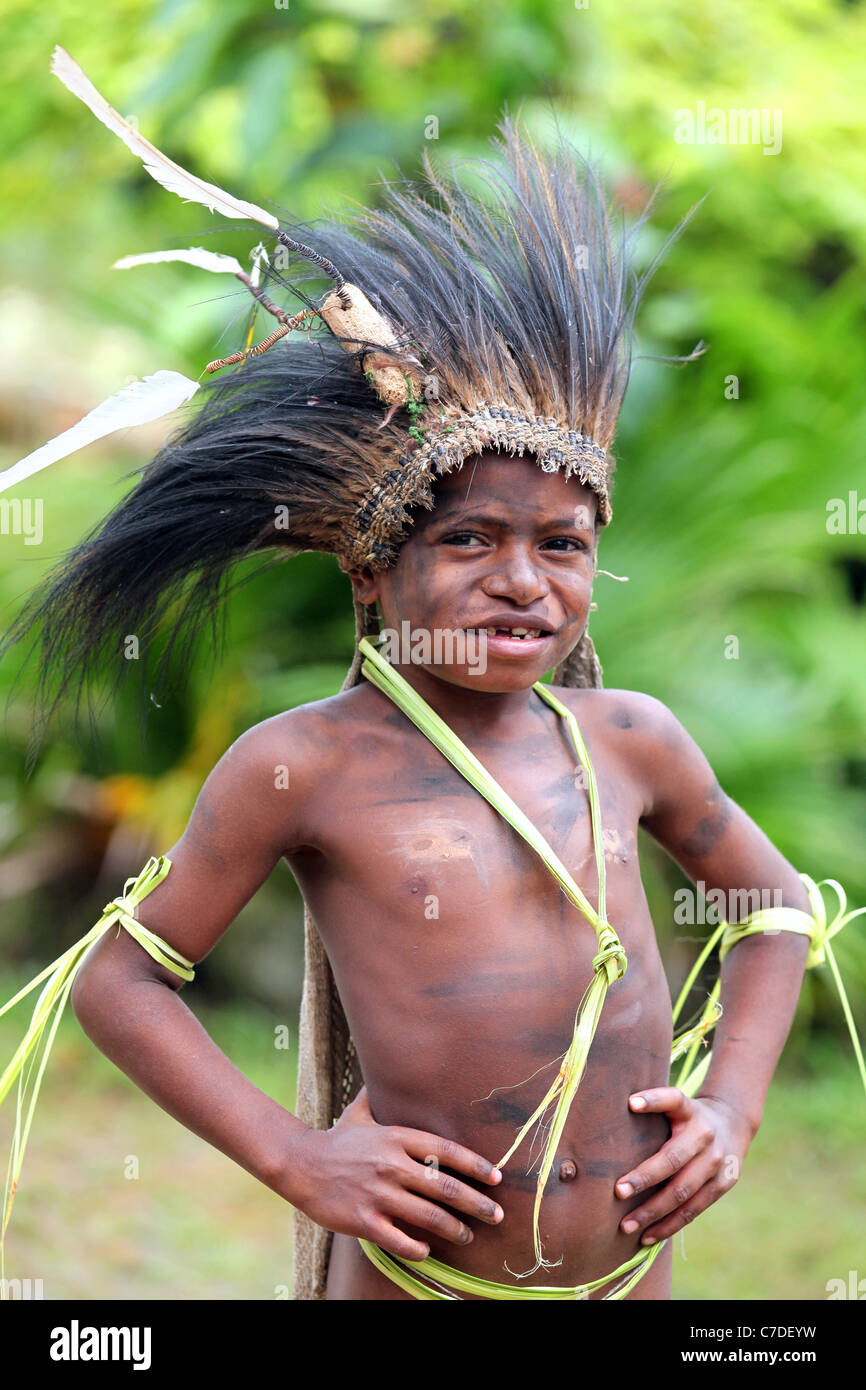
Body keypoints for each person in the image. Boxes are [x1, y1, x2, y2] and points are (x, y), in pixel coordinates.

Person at [1, 48, 862, 1302]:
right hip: (417, 1284)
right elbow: (122, 981)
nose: (523, 580)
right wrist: (298, 1158)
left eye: (561, 545)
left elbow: (775, 908)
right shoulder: (307, 761)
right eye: (468, 539)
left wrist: (729, 1110)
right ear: (368, 571)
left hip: (634, 1281)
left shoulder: (628, 738)